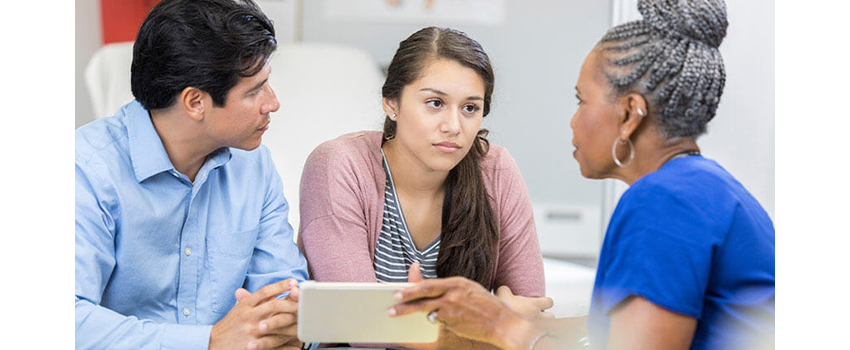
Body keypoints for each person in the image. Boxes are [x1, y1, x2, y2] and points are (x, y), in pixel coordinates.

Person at [388, 1, 776, 349]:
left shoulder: (663, 201)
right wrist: (499, 323)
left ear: (629, 115)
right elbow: (615, 336)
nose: (573, 120)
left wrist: (503, 326)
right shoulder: (702, 187)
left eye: (581, 100)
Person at [75, 1, 314, 349]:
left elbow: (283, 290)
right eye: (254, 91)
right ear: (195, 102)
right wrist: (209, 340)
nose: (272, 103)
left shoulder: (254, 166)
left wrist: (286, 328)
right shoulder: (86, 169)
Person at [297, 27, 552, 348]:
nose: (453, 126)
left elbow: (533, 313)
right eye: (435, 103)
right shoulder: (339, 163)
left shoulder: (496, 170)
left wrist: (501, 322)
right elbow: (358, 325)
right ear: (391, 103)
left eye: (470, 108)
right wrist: (495, 317)